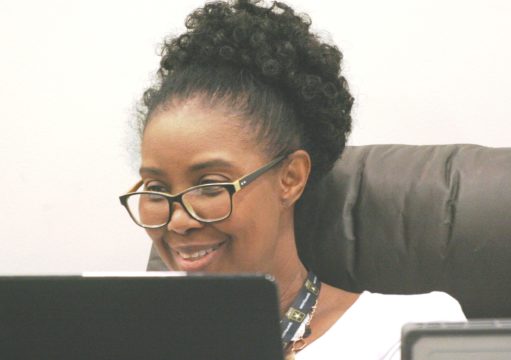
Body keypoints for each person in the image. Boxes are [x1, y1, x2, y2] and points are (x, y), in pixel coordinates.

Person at [119, 0, 465, 358]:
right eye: (157, 190)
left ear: (290, 179)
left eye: (209, 186)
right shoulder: (127, 338)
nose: (178, 220)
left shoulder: (406, 332)